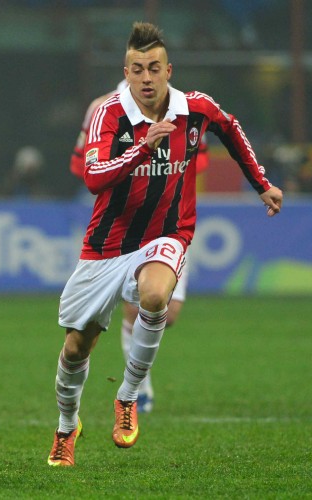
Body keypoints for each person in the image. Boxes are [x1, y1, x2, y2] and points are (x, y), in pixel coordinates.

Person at [48, 21, 282, 467]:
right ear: (126, 71)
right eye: (137, 69)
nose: (146, 78)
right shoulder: (109, 114)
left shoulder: (195, 107)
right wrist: (140, 147)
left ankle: (128, 397)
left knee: (157, 297)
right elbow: (94, 178)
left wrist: (262, 184)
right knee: (76, 348)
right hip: (107, 245)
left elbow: (230, 129)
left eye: (154, 68)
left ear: (168, 70)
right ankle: (66, 427)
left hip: (167, 234)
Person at [70, 82, 210, 414]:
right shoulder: (102, 108)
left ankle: (132, 369)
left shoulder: (183, 109)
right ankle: (138, 391)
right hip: (122, 226)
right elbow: (82, 167)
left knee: (167, 312)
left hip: (167, 223)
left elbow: (198, 160)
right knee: (128, 311)